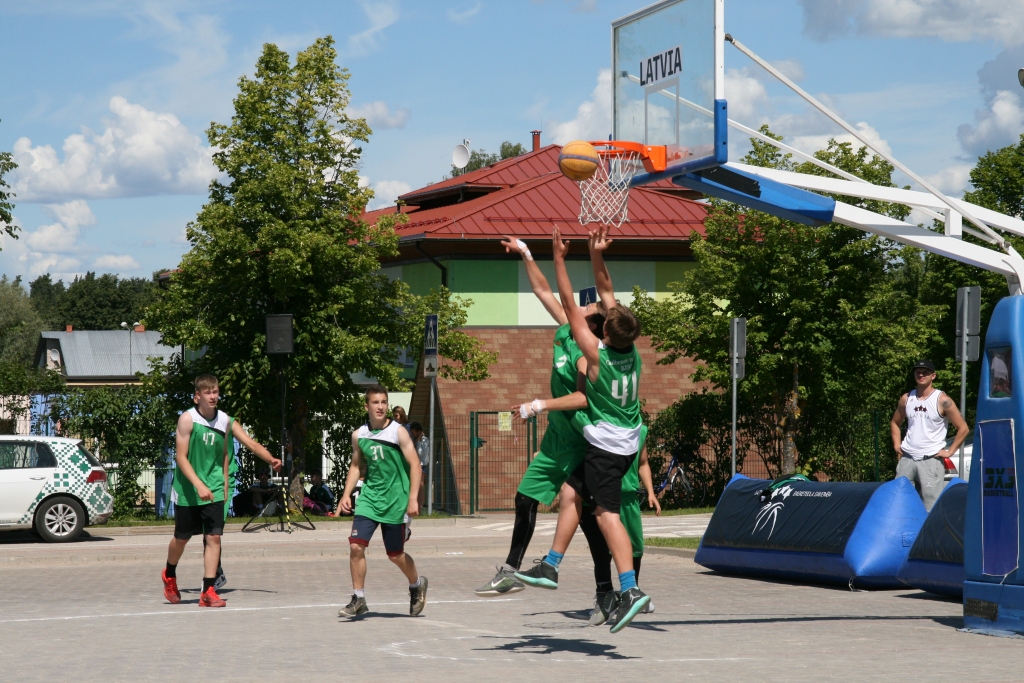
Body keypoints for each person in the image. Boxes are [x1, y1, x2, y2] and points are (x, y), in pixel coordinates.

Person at [516, 225, 649, 633]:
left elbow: (571, 303)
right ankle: (551, 565)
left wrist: (559, 256)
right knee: (571, 492)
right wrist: (595, 254)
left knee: (607, 515)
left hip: (608, 446)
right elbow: (606, 290)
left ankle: (630, 591)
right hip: (624, 440)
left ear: (604, 331)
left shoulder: (595, 355)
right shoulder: (632, 352)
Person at [474, 232, 606, 597]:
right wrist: (526, 252)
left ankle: (607, 590)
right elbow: (543, 291)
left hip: (581, 438)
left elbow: (582, 399)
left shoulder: (587, 353)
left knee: (591, 521)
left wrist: (539, 404)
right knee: (524, 498)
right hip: (556, 437)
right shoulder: (567, 330)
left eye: (590, 309)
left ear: (593, 327)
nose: (583, 305)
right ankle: (511, 572)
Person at [162, 374, 281, 607]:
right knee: (182, 538)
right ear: (197, 397)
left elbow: (251, 443)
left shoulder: (225, 420)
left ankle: (208, 590)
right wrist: (198, 485)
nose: (213, 396)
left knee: (213, 536)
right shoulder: (187, 419)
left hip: (215, 487)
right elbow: (181, 458)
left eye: (215, 391)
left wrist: (271, 459)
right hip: (189, 489)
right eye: (208, 392)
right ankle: (169, 573)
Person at [336, 385, 427, 619]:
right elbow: (356, 466)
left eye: (384, 402)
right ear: (366, 406)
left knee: (395, 554)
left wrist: (413, 498)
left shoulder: (398, 432)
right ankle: (359, 598)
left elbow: (415, 465)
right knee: (356, 546)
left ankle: (417, 584)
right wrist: (346, 495)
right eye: (375, 402)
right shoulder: (359, 435)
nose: (380, 406)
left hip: (396, 500)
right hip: (370, 498)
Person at [581, 427, 660, 626]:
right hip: (605, 495)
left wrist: (650, 492)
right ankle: (605, 598)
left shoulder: (640, 431)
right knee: (603, 551)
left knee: (635, 548)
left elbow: (643, 463)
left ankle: (631, 593)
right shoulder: (600, 427)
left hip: (629, 497)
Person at [891, 359, 969, 511]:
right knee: (900, 505)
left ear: (933, 376)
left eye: (925, 372)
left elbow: (963, 428)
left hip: (930, 460)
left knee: (930, 507)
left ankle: (930, 535)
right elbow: (895, 423)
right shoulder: (907, 398)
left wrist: (950, 451)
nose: (921, 375)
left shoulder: (942, 400)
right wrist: (896, 444)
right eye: (918, 372)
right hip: (907, 459)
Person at [409, 422, 430, 507]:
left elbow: (421, 453)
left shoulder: (425, 440)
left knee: (420, 484)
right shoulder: (414, 440)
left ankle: (420, 505)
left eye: (414, 433)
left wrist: (418, 442)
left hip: (422, 464)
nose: (413, 434)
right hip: (415, 464)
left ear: (419, 432)